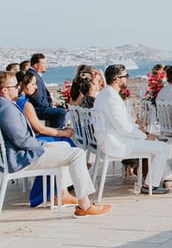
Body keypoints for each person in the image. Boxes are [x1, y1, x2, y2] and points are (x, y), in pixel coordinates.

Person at [0, 71, 111, 216]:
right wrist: (42, 145)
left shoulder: (6, 105)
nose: (18, 87)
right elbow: (22, 140)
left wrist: (43, 144)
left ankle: (62, 193)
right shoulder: (7, 109)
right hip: (20, 158)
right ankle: (85, 205)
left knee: (64, 146)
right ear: (4, 90)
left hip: (21, 154)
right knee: (76, 153)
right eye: (15, 85)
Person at [94, 64, 172, 194]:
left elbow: (124, 122)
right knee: (162, 147)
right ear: (117, 79)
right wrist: (145, 136)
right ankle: (150, 186)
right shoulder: (111, 98)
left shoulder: (105, 94)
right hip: (118, 143)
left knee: (154, 142)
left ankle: (167, 177)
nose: (127, 79)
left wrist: (142, 131)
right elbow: (123, 127)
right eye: (126, 76)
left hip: (112, 140)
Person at [15, 70, 79, 207]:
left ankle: (62, 188)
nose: (36, 87)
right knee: (65, 143)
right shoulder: (25, 104)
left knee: (65, 142)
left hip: (28, 141)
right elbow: (40, 129)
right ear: (23, 85)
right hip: (31, 143)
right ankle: (62, 191)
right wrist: (63, 133)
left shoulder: (18, 102)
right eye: (33, 84)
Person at [26, 53, 67, 128]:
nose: (46, 66)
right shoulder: (33, 76)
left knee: (60, 109)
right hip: (36, 108)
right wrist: (49, 106)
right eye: (44, 63)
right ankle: (56, 134)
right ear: (36, 65)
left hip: (39, 107)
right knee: (61, 112)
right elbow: (37, 98)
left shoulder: (36, 75)